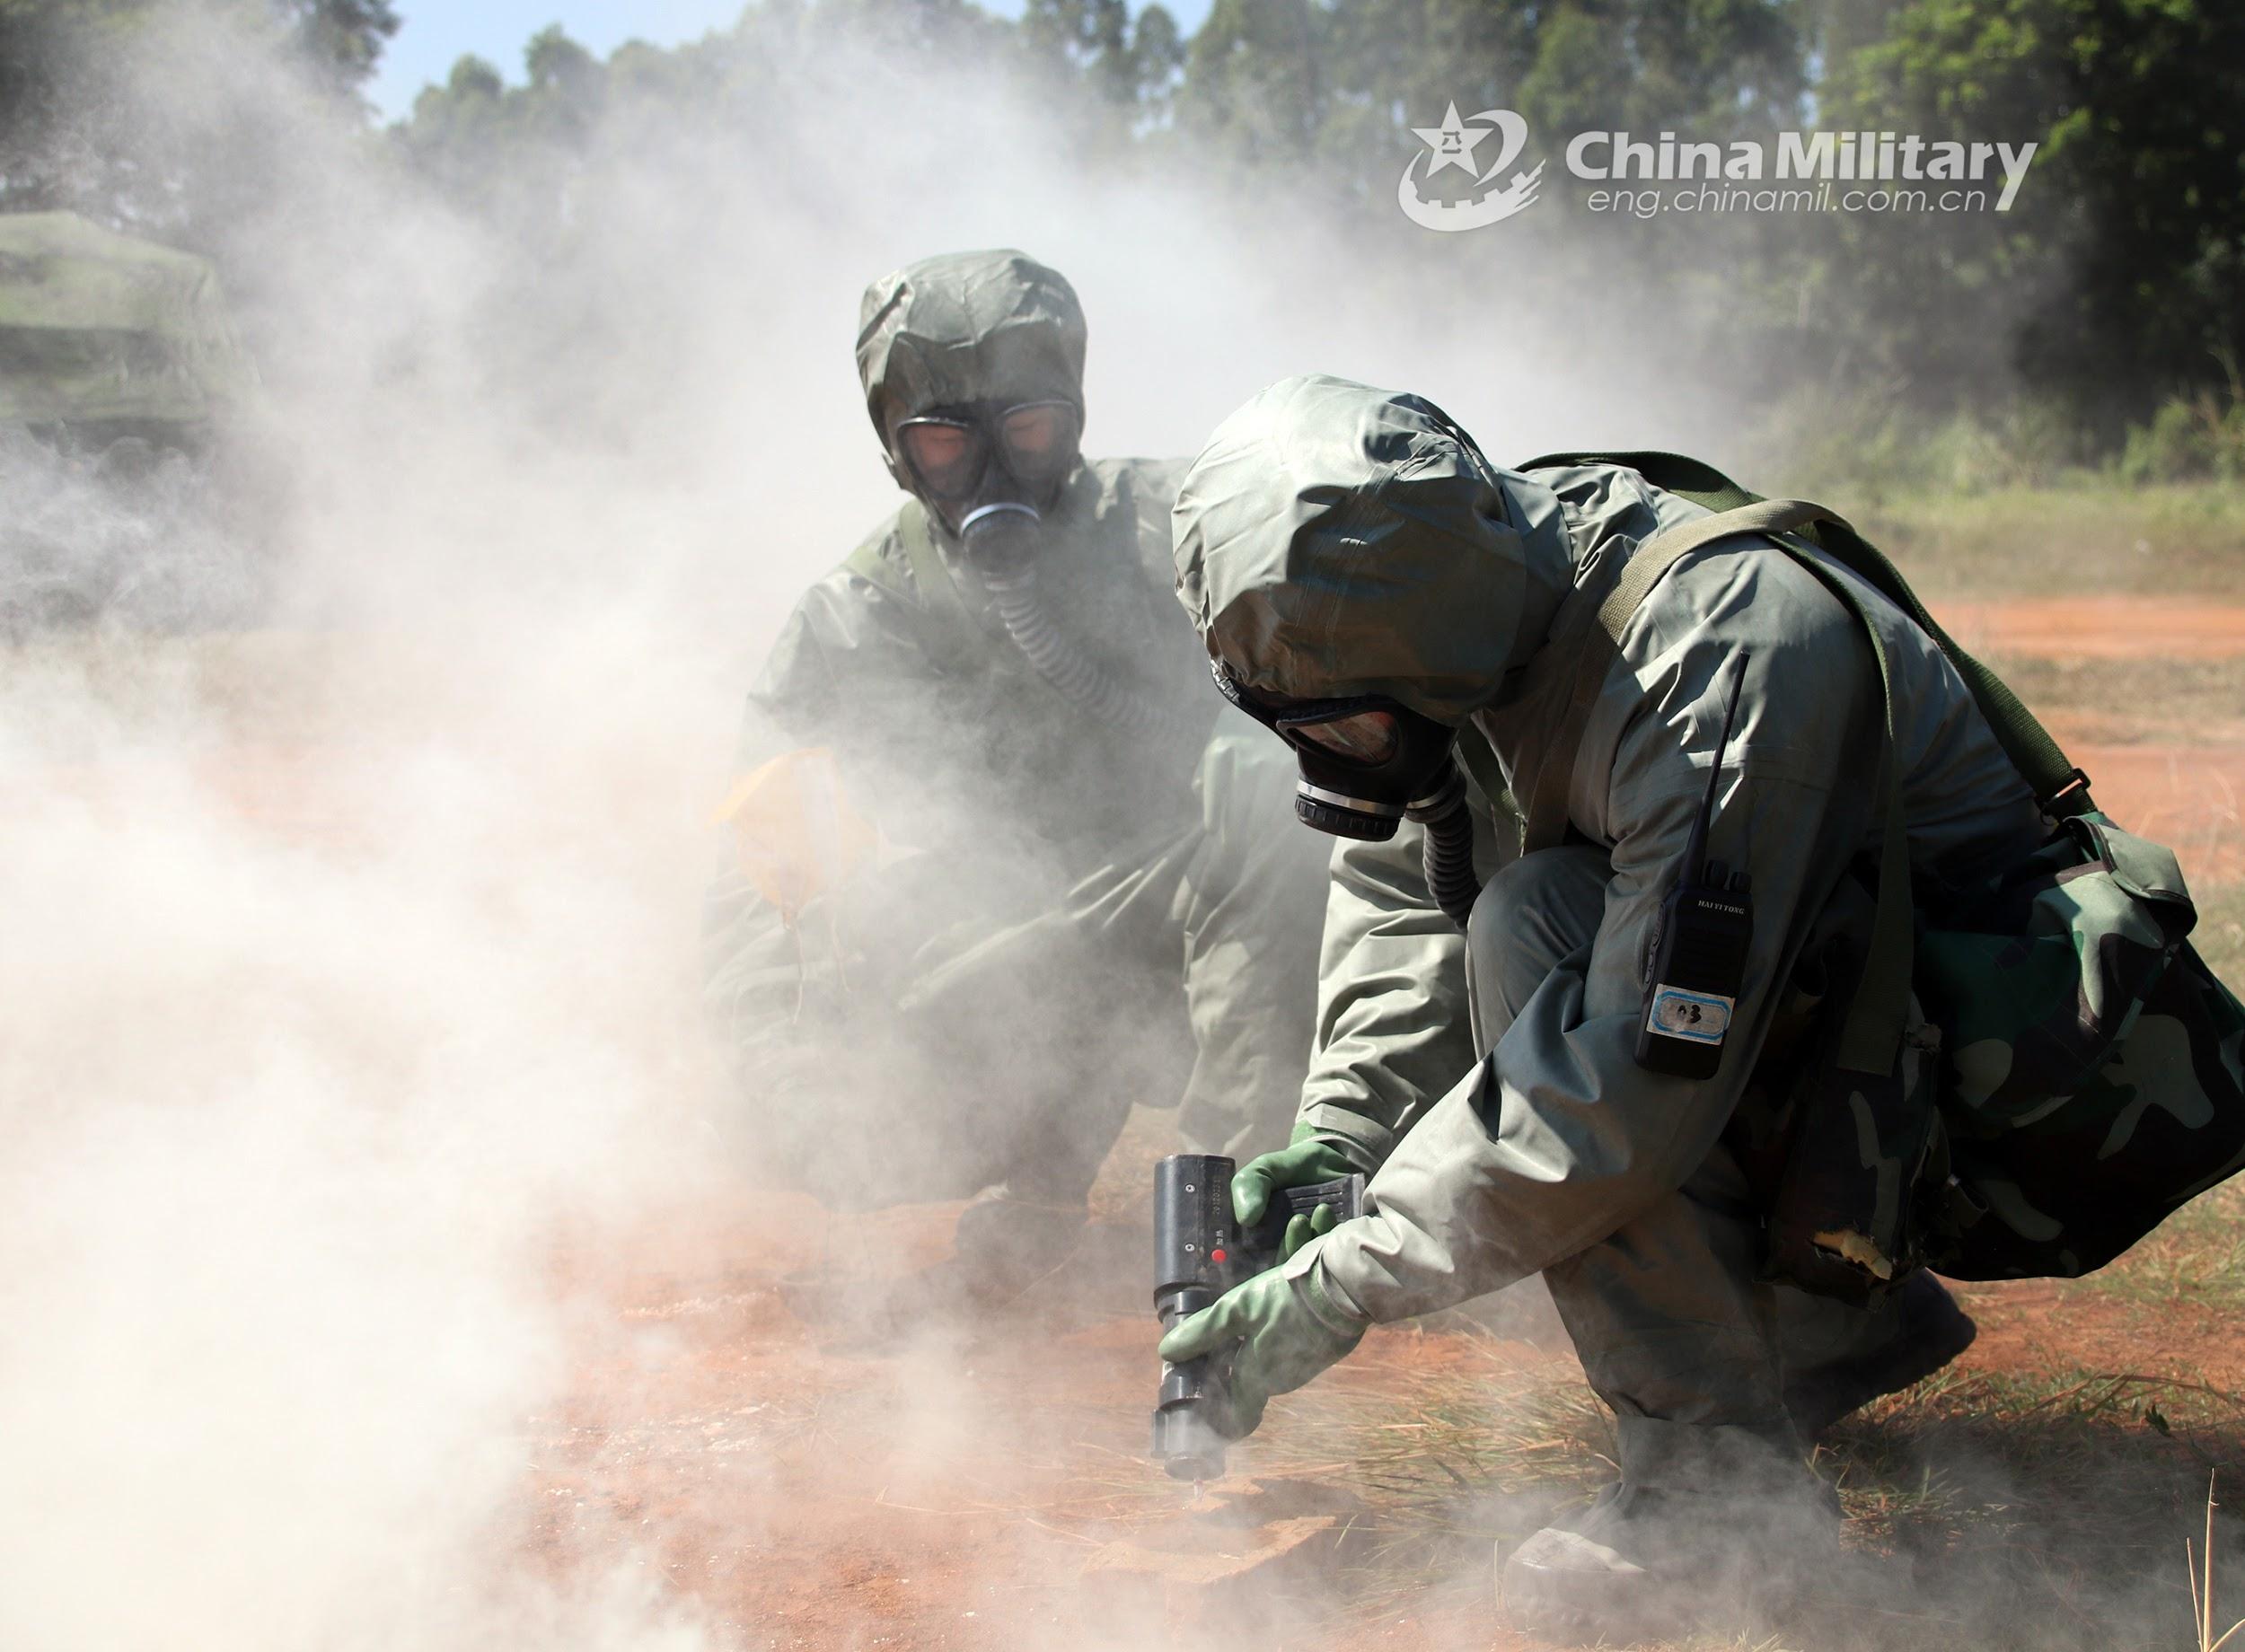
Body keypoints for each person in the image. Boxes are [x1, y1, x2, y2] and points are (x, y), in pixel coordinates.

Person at [1157, 374, 2047, 1639]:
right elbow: (1413, 881)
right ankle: (1805, 1350)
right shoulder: (1459, 594)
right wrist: (1345, 1139)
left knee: (1535, 930)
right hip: (1832, 1031)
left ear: (1426, 651)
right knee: (1523, 913)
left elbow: (1634, 1074)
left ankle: (1718, 1495)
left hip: (2004, 1065)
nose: (1325, 759)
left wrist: (1342, 1284)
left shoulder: (1719, 661)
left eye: (1343, 728)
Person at [700, 251, 1328, 1324]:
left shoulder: (1180, 529)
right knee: (814, 1088)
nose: (991, 472)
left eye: (1026, 429)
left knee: (1269, 784)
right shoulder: (860, 614)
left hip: (1264, 923)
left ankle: (1240, 1207)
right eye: (947, 442)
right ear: (895, 450)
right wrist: (780, 1063)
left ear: (1074, 415)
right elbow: (765, 859)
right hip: (1055, 944)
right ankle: (1043, 1179)